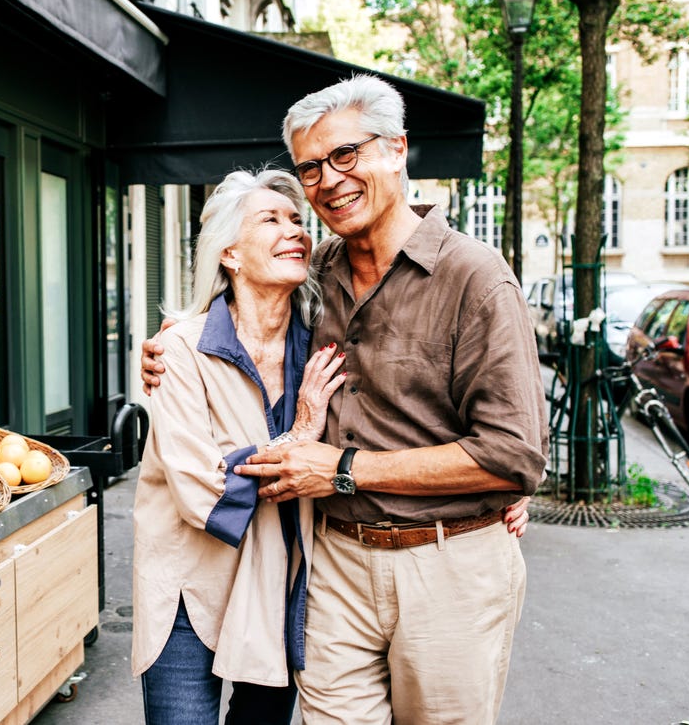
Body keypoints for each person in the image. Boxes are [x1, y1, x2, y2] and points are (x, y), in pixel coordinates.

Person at [141, 74, 546, 724]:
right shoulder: (317, 275)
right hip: (334, 564)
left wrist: (341, 467)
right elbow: (240, 315)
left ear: (397, 149)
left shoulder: (476, 277)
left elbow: (514, 453)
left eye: (345, 155)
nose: (327, 179)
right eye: (310, 167)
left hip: (446, 565)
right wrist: (173, 338)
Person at [133, 168, 346, 725]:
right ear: (229, 252)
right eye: (270, 219)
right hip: (188, 586)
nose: (295, 231)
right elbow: (199, 488)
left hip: (279, 581)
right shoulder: (181, 348)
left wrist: (495, 488)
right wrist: (300, 438)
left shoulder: (322, 348)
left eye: (299, 220)